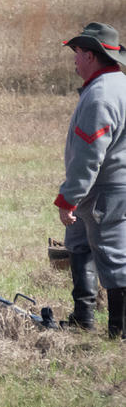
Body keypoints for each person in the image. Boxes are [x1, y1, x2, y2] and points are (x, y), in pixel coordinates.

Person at [55, 22, 126, 340]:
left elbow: (88, 157)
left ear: (91, 55)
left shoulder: (100, 96)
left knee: (113, 256)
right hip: (106, 186)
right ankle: (83, 317)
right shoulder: (118, 85)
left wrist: (69, 197)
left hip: (104, 188)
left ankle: (119, 330)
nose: (74, 58)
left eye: (78, 52)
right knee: (79, 243)